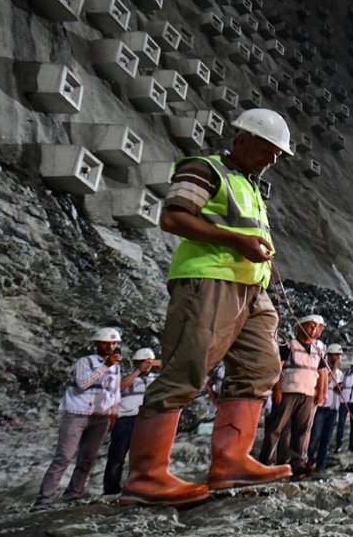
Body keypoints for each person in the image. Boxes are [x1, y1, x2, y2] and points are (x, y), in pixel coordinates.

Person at [123, 108, 295, 506]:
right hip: (209, 281)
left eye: (277, 156)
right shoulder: (206, 169)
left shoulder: (251, 185)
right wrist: (236, 242)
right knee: (187, 367)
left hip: (252, 289)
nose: (272, 160)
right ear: (242, 139)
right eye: (268, 150)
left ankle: (231, 462)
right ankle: (146, 477)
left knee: (261, 367)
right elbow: (174, 217)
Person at [35, 327, 123, 505]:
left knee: (87, 459)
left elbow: (115, 391)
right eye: (107, 343)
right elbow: (82, 384)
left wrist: (114, 412)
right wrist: (106, 366)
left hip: (101, 417)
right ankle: (44, 500)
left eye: (114, 343)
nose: (111, 346)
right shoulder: (85, 362)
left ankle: (73, 495)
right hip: (77, 415)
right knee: (64, 457)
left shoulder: (116, 367)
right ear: (97, 344)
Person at [259, 314, 328, 475]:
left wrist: (321, 392)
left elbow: (322, 371)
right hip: (288, 392)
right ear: (300, 327)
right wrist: (277, 389)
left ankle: (298, 462)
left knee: (302, 429)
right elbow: (278, 368)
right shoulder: (288, 345)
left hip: (308, 393)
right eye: (310, 326)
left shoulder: (320, 348)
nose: (313, 330)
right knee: (276, 427)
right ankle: (267, 462)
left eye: (317, 327)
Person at [103, 347, 160, 495]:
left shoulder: (157, 379)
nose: (145, 365)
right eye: (142, 362)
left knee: (145, 457)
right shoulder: (127, 377)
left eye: (148, 362)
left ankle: (141, 487)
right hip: (125, 421)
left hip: (146, 421)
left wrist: (153, 363)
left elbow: (174, 369)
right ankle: (111, 490)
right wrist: (137, 371)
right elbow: (121, 387)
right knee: (117, 457)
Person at [306, 344, 344, 471]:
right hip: (321, 409)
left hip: (333, 410)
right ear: (329, 356)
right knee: (314, 437)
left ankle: (320, 465)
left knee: (326, 440)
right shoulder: (322, 369)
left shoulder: (340, 373)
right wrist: (333, 369)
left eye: (339, 355)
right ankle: (307, 462)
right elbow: (324, 381)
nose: (338, 358)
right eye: (335, 355)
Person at [335, 356, 353, 453]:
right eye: (352, 366)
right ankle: (338, 445)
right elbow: (339, 385)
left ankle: (352, 444)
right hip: (344, 401)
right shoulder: (344, 374)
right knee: (341, 423)